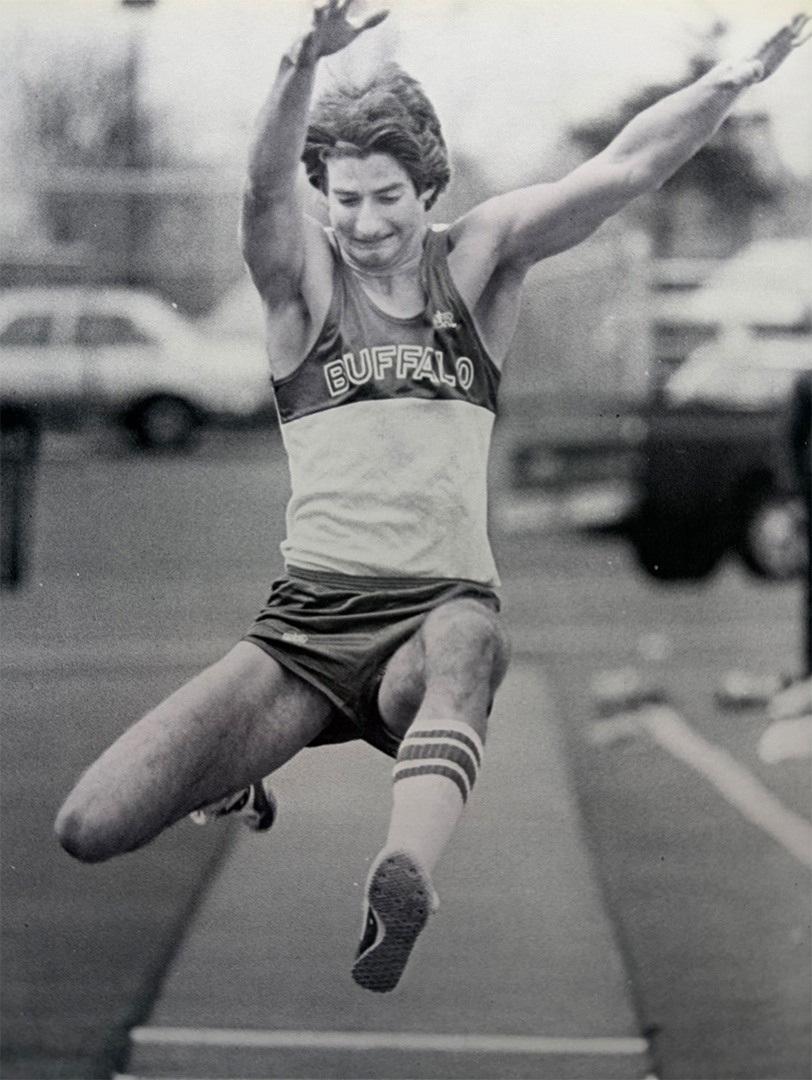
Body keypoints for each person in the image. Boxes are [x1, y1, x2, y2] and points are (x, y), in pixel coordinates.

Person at [55, 2, 811, 993]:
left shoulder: (480, 260)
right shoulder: (300, 291)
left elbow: (623, 168)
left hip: (430, 619)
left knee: (467, 640)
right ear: (322, 198)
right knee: (89, 825)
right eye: (346, 200)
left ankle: (402, 874)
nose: (366, 224)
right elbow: (256, 191)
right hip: (305, 633)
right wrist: (297, 64)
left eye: (388, 198)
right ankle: (236, 777)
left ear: (428, 189)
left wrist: (729, 83)